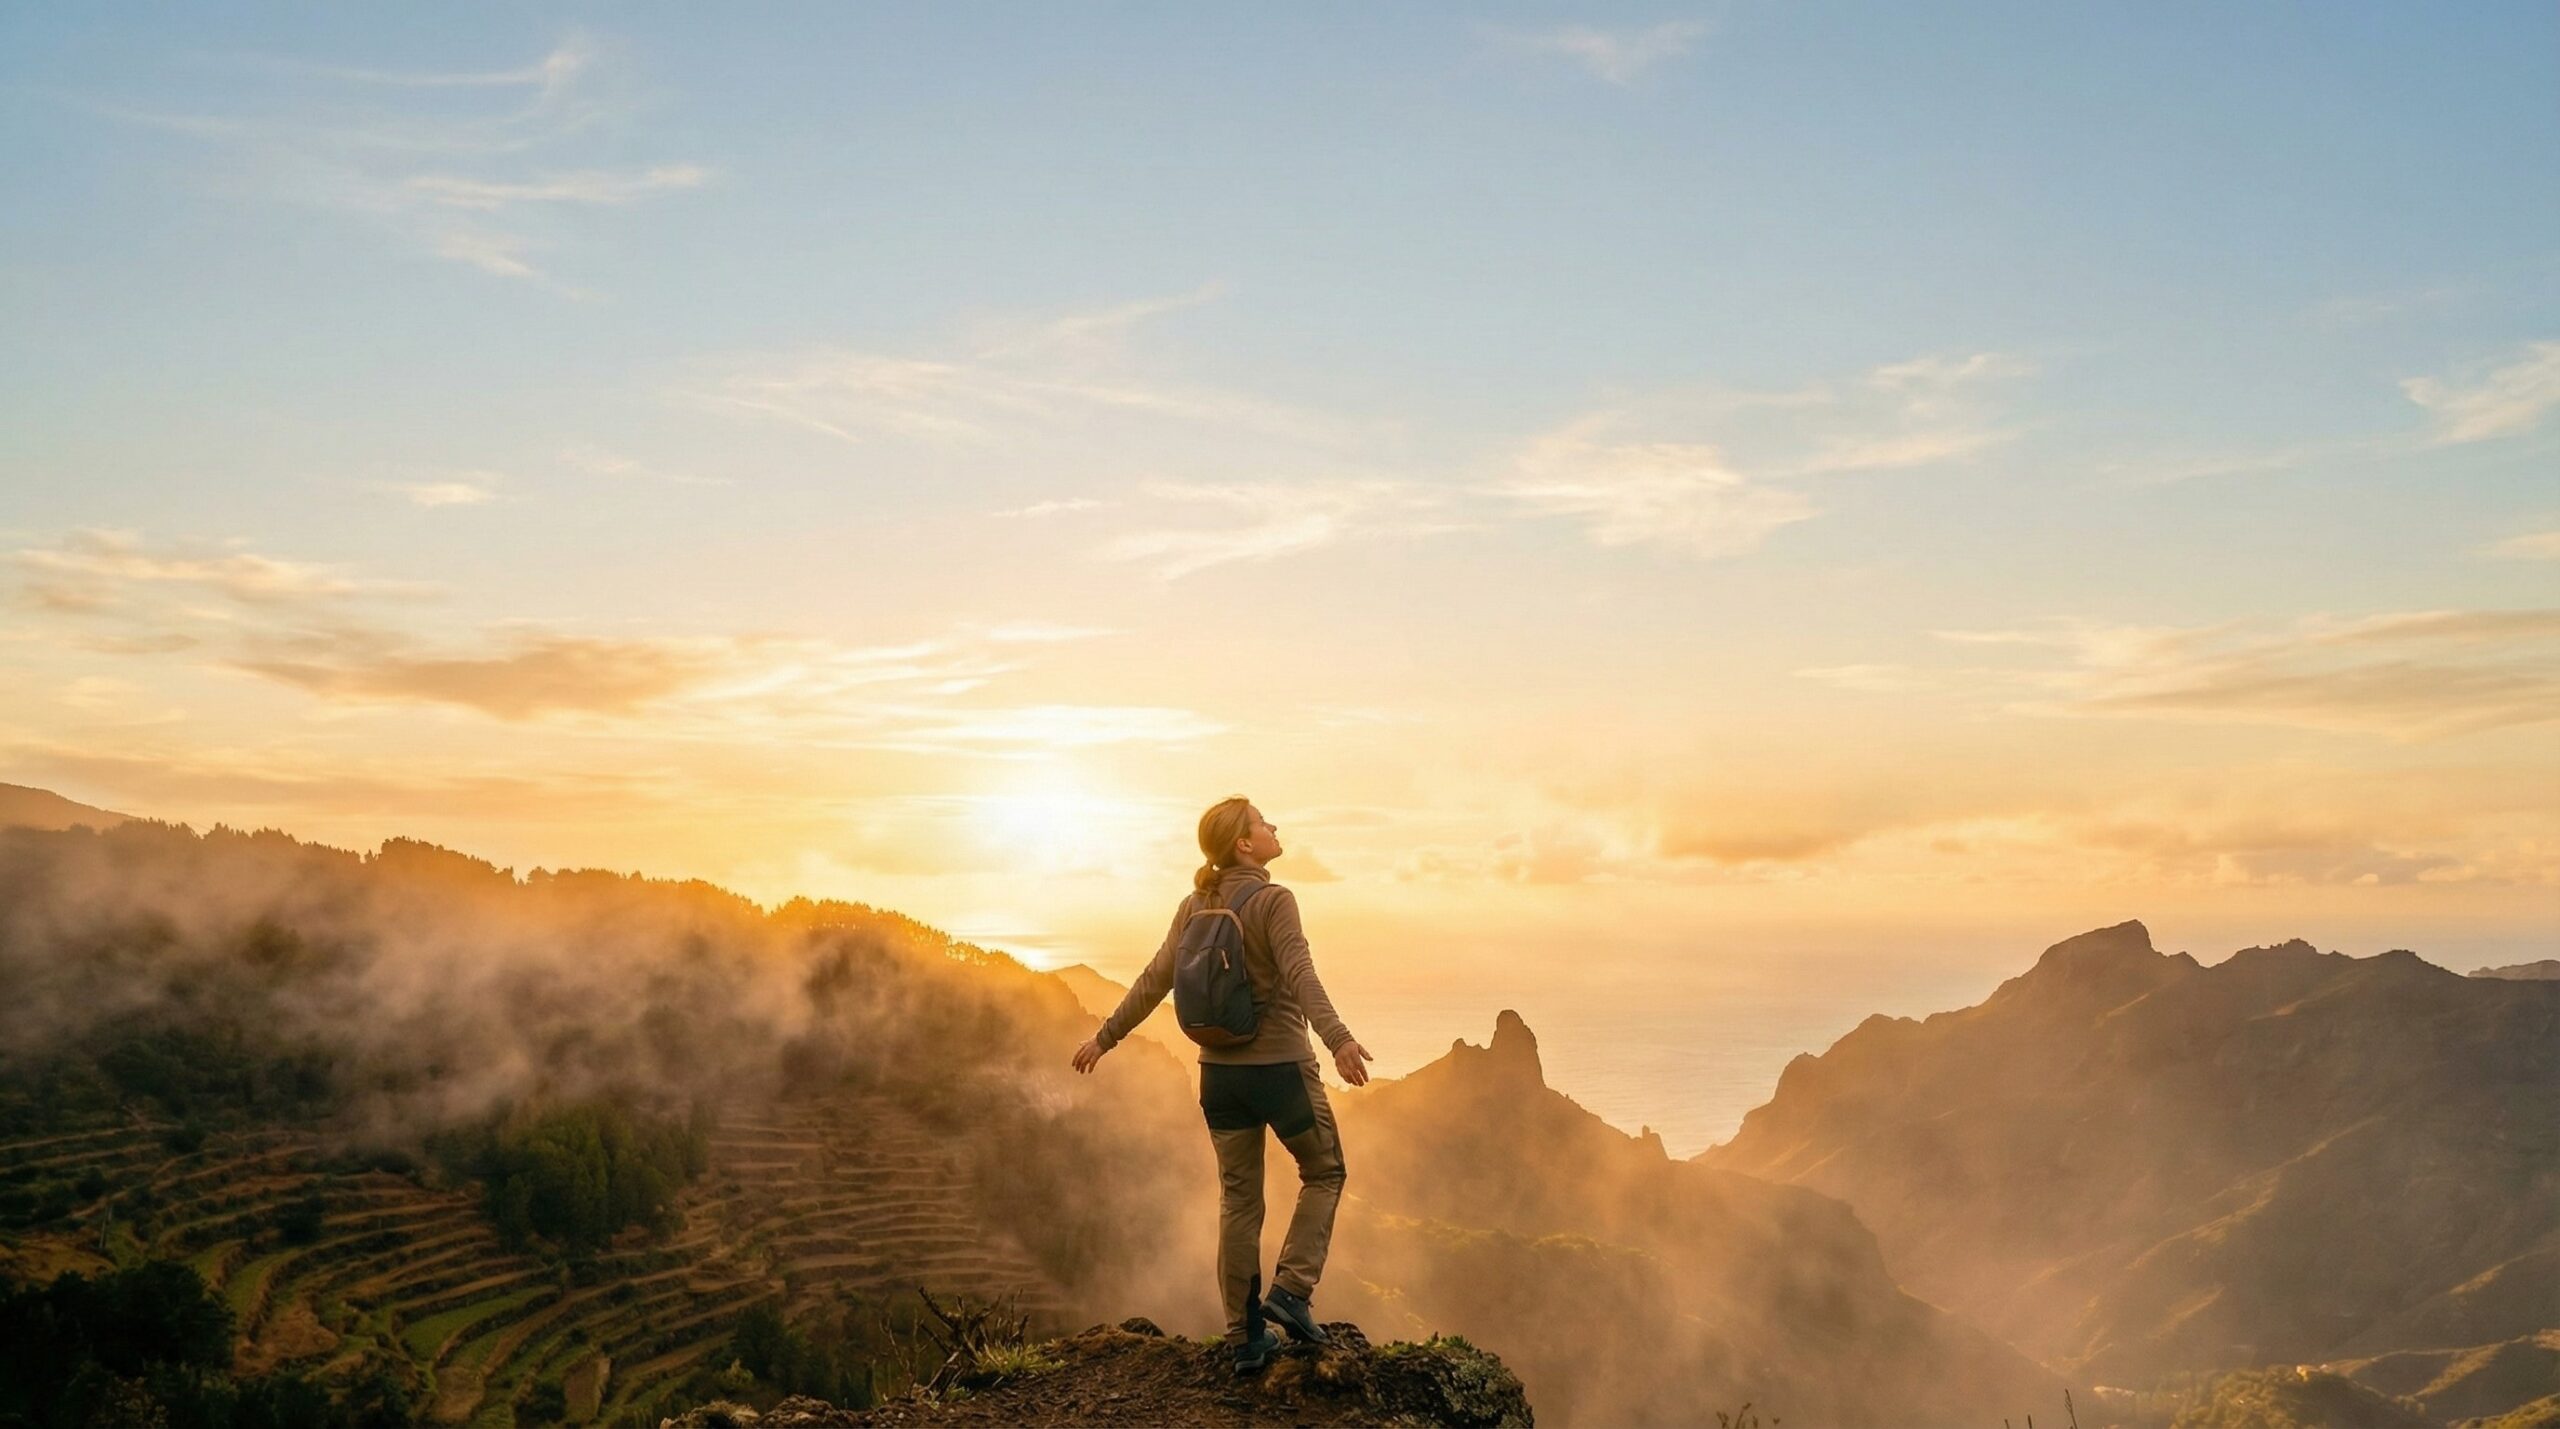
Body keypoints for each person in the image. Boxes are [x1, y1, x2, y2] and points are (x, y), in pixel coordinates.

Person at [1071, 796, 1373, 1374]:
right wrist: (1338, 1039)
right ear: (1244, 843)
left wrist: (1104, 1039)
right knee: (1326, 1172)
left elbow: (1154, 980)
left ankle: (1244, 1336)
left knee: (1238, 1201)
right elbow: (1300, 972)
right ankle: (1291, 1290)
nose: (1275, 826)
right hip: (1281, 1070)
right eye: (1264, 822)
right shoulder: (1274, 900)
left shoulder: (1193, 905)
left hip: (1218, 1078)